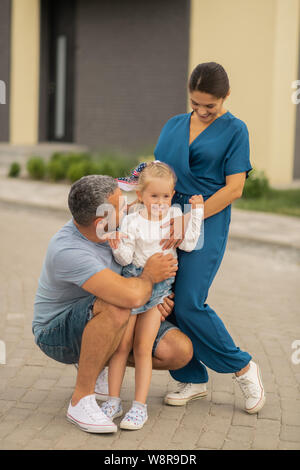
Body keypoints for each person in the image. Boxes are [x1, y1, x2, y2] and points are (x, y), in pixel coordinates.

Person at [131, 62, 266, 414]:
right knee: (164, 298)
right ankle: (191, 377)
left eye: (211, 106)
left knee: (190, 302)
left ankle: (243, 367)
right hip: (162, 221)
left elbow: (235, 188)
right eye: (196, 104)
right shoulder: (174, 124)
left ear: (226, 97)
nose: (203, 112)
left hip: (205, 223)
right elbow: (159, 173)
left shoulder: (237, 130)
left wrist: (191, 216)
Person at [32, 175, 193, 434]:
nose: (128, 206)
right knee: (117, 306)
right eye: (120, 206)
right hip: (56, 333)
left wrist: (182, 218)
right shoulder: (69, 250)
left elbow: (151, 196)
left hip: (120, 306)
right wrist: (150, 279)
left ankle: (98, 359)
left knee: (179, 351)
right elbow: (130, 298)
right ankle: (80, 400)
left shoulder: (115, 225)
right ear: (102, 221)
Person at [100, 162, 204, 430]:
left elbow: (190, 243)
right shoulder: (133, 221)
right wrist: (115, 243)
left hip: (158, 291)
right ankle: (113, 401)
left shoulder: (174, 218)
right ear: (141, 196)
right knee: (121, 346)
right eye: (154, 196)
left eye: (166, 196)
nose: (160, 201)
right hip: (132, 285)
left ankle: (139, 407)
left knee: (143, 347)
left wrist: (197, 211)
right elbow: (125, 258)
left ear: (172, 195)